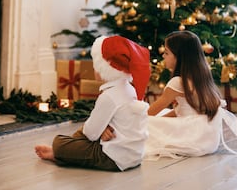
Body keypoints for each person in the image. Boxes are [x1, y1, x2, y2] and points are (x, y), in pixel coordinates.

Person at [34, 35, 151, 171]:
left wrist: (99, 130)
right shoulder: (130, 89)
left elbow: (90, 133)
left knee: (59, 142)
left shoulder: (109, 96)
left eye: (96, 65)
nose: (94, 69)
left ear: (105, 69)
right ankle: (68, 151)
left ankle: (60, 152)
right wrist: (102, 129)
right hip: (135, 156)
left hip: (113, 158)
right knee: (87, 130)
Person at [143, 30, 237, 159]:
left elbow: (151, 112)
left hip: (191, 135)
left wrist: (137, 121)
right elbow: (179, 110)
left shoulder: (177, 82)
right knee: (159, 117)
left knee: (144, 124)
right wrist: (161, 119)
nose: (163, 56)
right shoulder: (200, 76)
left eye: (166, 53)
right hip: (206, 136)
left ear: (180, 57)